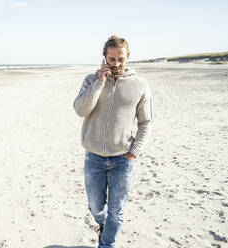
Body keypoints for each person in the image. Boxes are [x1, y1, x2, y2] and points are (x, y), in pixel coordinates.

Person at [73, 35, 153, 248]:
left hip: (123, 160)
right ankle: (103, 225)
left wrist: (134, 152)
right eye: (111, 59)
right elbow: (81, 110)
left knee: (116, 211)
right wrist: (99, 83)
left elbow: (146, 122)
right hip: (94, 157)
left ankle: (107, 244)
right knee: (96, 207)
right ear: (104, 58)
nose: (116, 64)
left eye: (121, 59)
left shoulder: (139, 85)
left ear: (128, 57)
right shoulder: (91, 80)